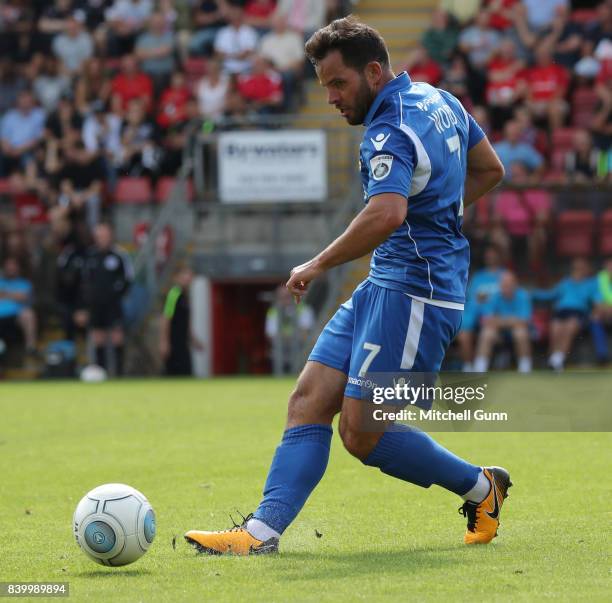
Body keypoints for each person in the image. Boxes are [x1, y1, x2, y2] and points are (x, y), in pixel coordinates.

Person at [184, 17, 509, 556]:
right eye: (324, 87)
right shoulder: (439, 99)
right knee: (308, 400)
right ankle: (259, 534)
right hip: (388, 281)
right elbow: (489, 168)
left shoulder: (389, 129)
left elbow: (385, 213)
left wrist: (317, 263)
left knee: (362, 434)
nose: (332, 98)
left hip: (417, 294)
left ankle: (483, 487)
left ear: (374, 71)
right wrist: (436, 217)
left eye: (339, 84)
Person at [533, 257, 602, 371]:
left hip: (578, 313)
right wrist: (532, 293)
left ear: (587, 269)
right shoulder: (565, 282)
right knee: (555, 329)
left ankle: (558, 359)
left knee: (569, 328)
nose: (578, 270)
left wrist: (596, 312)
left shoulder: (591, 284)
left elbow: (597, 300)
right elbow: (551, 294)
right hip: (561, 311)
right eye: (576, 268)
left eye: (581, 268)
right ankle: (554, 359)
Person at [82, 223, 133, 376]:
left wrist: (116, 294)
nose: (102, 239)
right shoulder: (90, 256)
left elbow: (128, 279)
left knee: (117, 337)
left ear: (111, 236)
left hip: (114, 304)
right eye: (99, 236)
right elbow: (84, 281)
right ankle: (101, 373)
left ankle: (119, 375)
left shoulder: (119, 255)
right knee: (98, 338)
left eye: (105, 235)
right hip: (95, 305)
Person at [473, 270, 533, 372]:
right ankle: (479, 368)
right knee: (487, 332)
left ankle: (525, 368)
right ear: (500, 285)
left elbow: (524, 321)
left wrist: (499, 320)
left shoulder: (523, 296)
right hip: (498, 333)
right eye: (504, 284)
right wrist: (511, 320)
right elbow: (487, 320)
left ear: (515, 284)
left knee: (520, 333)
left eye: (509, 284)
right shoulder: (494, 296)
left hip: (516, 331)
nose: (507, 287)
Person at [457, 245, 504, 372]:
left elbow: (508, 298)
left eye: (493, 255)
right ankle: (468, 367)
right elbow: (471, 297)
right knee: (463, 335)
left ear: (499, 257)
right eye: (488, 256)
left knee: (488, 332)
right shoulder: (478, 276)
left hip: (496, 317)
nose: (490, 258)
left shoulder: (504, 275)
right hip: (475, 315)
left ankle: (480, 367)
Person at [159, 266, 203, 376]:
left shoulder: (185, 296)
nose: (188, 278)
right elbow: (166, 317)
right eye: (184, 275)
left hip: (183, 342)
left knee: (186, 372)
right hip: (174, 341)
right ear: (176, 277)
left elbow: (185, 321)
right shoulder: (173, 294)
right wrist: (164, 341)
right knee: (174, 373)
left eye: (189, 275)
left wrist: (193, 339)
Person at [265, 284, 315, 375]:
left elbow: (305, 334)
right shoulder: (273, 311)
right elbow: (271, 336)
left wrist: (286, 337)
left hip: (301, 347)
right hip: (281, 348)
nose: (285, 300)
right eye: (282, 297)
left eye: (288, 296)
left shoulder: (304, 309)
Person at [0, 256, 37, 355]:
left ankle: (31, 348)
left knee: (29, 314)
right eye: (8, 266)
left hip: (15, 317)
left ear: (18, 268)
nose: (10, 268)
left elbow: (24, 297)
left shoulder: (24, 283)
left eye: (13, 266)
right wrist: (14, 295)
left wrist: (4, 294)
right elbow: (18, 296)